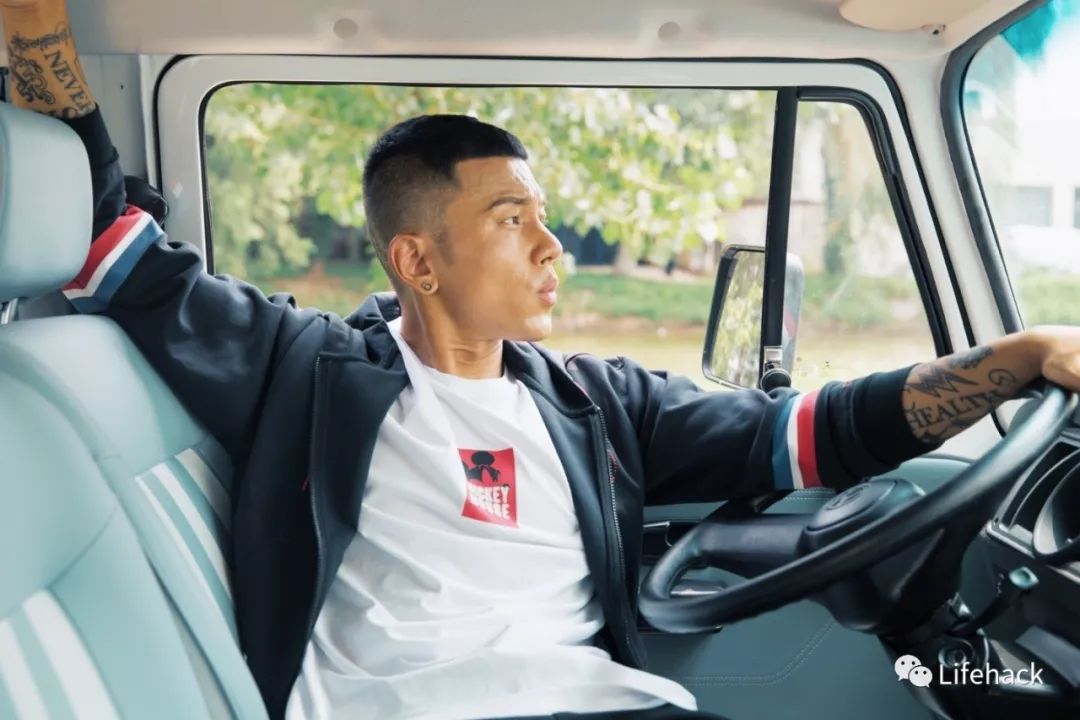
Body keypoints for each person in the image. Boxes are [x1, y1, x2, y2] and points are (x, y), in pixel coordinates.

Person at [5, 2, 1080, 718]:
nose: (554, 247)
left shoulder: (595, 402)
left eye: (545, 217)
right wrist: (37, 32)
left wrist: (1022, 356)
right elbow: (114, 250)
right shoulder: (306, 366)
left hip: (599, 700)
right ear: (417, 259)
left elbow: (812, 432)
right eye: (513, 220)